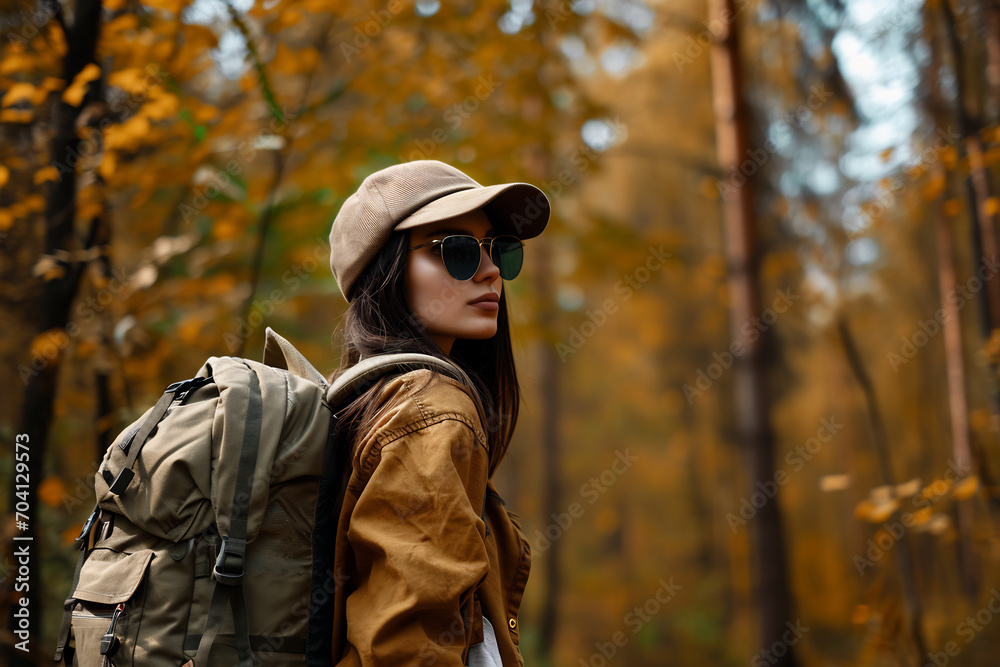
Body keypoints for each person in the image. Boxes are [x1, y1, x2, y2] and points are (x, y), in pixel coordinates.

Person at [324, 160, 550, 666]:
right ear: (384, 270)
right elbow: (409, 652)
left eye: (497, 249)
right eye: (458, 250)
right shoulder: (434, 412)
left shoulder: (365, 402)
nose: (491, 270)